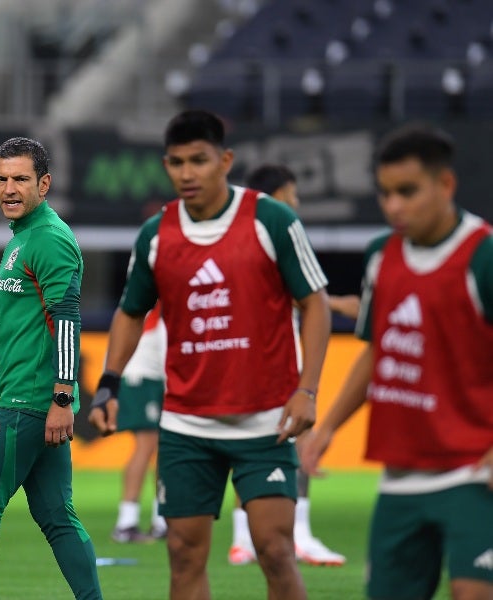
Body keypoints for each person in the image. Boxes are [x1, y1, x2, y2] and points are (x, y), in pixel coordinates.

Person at [89, 109, 331, 600]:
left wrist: (307, 390)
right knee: (183, 555)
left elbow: (316, 302)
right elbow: (130, 312)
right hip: (187, 425)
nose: (186, 173)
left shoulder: (271, 220)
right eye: (176, 163)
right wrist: (108, 383)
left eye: (198, 160)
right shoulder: (156, 236)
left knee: (275, 549)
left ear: (225, 160)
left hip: (265, 420)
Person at [301, 123, 493, 599]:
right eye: (385, 193)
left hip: (474, 472)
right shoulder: (379, 257)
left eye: (407, 192)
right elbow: (378, 351)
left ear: (445, 184)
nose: (394, 206)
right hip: (400, 477)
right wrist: (327, 428)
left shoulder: (483, 256)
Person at [0, 137, 103, 600]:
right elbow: (7, 325)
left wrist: (62, 398)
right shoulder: (23, 239)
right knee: (57, 515)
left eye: (20, 179)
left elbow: (67, 323)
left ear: (45, 183)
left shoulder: (50, 240)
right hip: (31, 400)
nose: (9, 189)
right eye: (1, 179)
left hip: (32, 402)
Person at [224, 164, 346, 567]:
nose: (296, 202)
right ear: (276, 196)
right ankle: (302, 535)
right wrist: (341, 304)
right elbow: (299, 295)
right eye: (292, 193)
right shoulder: (278, 234)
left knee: (249, 441)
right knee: (296, 433)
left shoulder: (234, 236)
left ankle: (243, 540)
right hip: (277, 352)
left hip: (237, 352)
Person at [110, 303, 168, 543]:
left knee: (159, 448)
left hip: (139, 378)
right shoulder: (164, 311)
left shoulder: (143, 307)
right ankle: (127, 522)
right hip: (143, 380)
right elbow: (170, 357)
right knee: (148, 446)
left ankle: (160, 519)